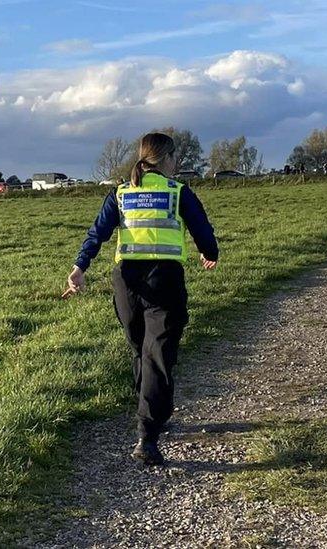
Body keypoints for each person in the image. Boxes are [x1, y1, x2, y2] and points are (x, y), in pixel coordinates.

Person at [62, 132, 219, 466]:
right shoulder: (178, 192)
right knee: (157, 356)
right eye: (176, 158)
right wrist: (210, 253)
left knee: (141, 351)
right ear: (167, 159)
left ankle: (152, 416)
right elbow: (204, 233)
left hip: (126, 283)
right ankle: (148, 436)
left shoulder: (120, 193)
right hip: (164, 281)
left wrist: (79, 268)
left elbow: (97, 233)